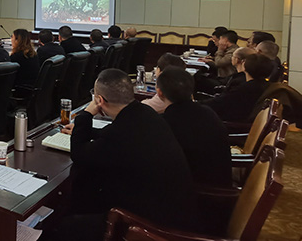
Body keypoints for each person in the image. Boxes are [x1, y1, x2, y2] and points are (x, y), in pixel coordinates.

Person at [55, 69, 193, 240]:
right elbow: (118, 136)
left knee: (65, 225)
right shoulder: (145, 113)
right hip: (172, 207)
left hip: (151, 224)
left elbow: (79, 155)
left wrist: (86, 115)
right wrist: (86, 131)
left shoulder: (119, 133)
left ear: (99, 100)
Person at [158, 67, 231, 187]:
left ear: (159, 92)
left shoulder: (165, 123)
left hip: (200, 192)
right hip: (220, 182)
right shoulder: (208, 112)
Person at [202, 53, 275, 123]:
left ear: (245, 67)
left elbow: (220, 102)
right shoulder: (267, 85)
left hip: (230, 123)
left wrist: (197, 105)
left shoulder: (246, 88)